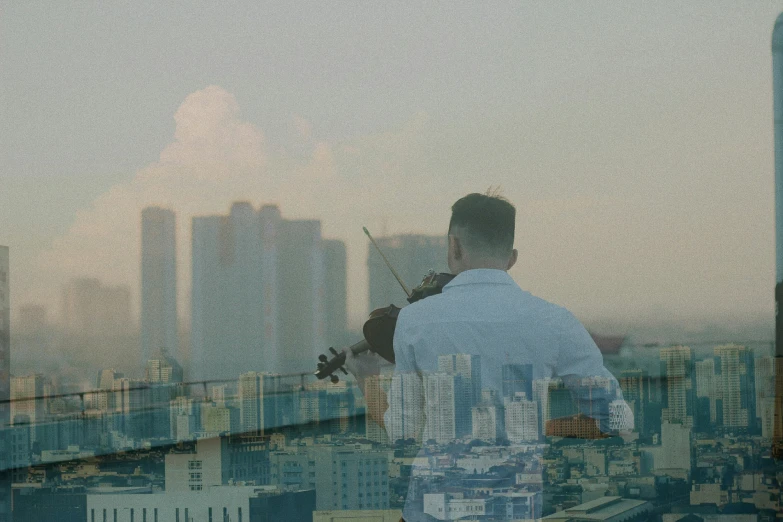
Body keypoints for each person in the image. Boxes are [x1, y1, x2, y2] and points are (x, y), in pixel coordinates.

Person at [346, 191, 632, 522]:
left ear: (454, 247)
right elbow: (614, 419)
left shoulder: (415, 320)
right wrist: (539, 426)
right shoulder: (556, 321)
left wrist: (367, 379)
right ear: (512, 257)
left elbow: (401, 431)